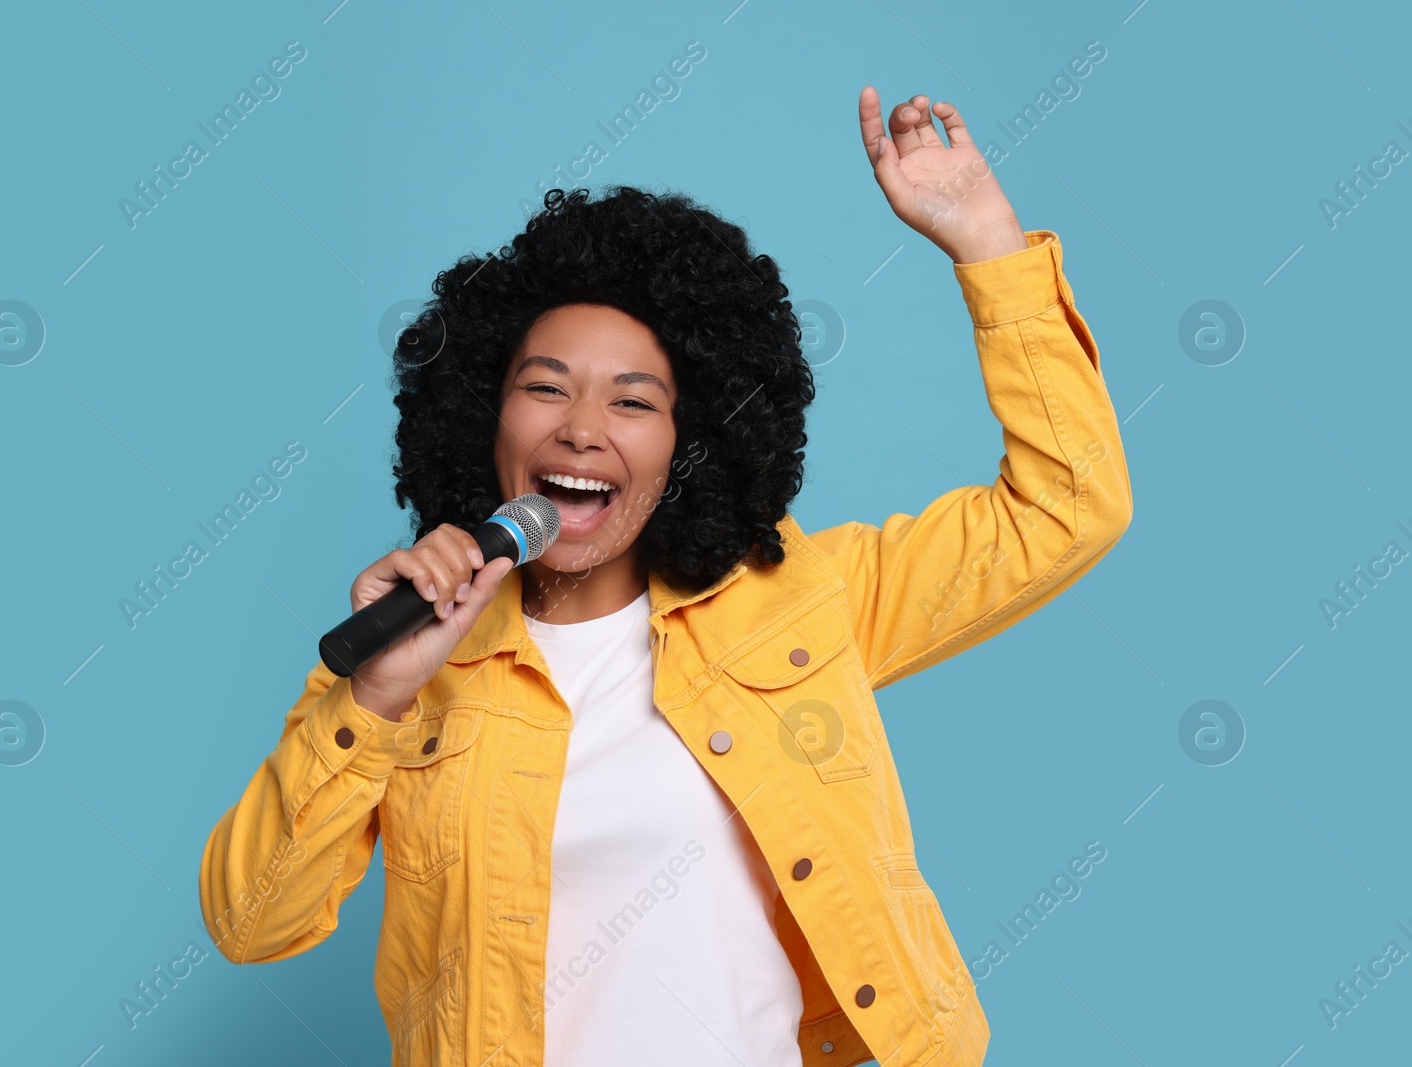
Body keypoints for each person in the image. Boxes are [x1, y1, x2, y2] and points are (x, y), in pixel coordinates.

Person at [200, 88, 1132, 1067]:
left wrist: (987, 244)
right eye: (544, 385)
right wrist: (379, 692)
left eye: (633, 400)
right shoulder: (398, 665)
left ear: (692, 440)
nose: (580, 427)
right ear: (486, 413)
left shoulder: (804, 597)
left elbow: (1066, 504)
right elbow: (251, 921)